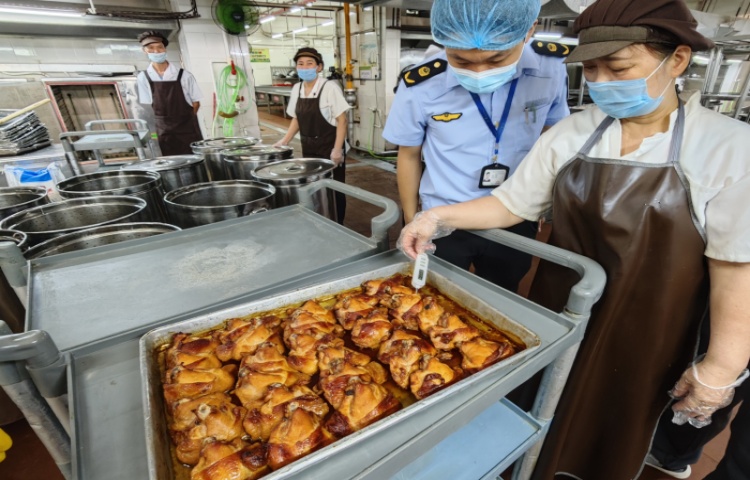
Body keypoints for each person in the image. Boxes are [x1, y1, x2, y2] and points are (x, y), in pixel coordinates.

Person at [397, 0, 750, 478]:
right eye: (593, 69)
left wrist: (720, 369)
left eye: (618, 67)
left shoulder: (728, 148)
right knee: (549, 408)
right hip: (565, 307)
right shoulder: (574, 133)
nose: (602, 82)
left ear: (678, 60)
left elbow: (735, 268)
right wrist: (436, 216)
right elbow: (511, 205)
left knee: (616, 426)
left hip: (657, 324)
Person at [382, 0, 570, 292]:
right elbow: (409, 155)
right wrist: (412, 218)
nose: (480, 72)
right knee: (436, 297)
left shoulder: (551, 70)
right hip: (442, 218)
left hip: (516, 214)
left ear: (529, 30)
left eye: (496, 60)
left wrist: (544, 201)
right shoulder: (421, 83)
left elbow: (552, 137)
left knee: (502, 293)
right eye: (461, 61)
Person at [274, 47, 350, 224]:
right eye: (300, 64)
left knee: (334, 189)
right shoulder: (297, 88)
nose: (304, 67)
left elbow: (342, 120)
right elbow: (297, 119)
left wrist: (338, 150)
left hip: (330, 148)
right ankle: (320, 221)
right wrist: (284, 140)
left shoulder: (329, 87)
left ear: (319, 67)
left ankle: (338, 224)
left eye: (309, 63)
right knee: (314, 188)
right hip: (309, 147)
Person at [136, 31, 203, 156]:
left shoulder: (184, 75)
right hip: (164, 130)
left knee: (195, 159)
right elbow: (148, 107)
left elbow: (196, 103)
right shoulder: (143, 77)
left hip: (187, 128)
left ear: (164, 49)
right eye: (151, 48)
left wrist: (185, 119)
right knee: (172, 160)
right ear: (144, 51)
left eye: (159, 47)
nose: (156, 51)